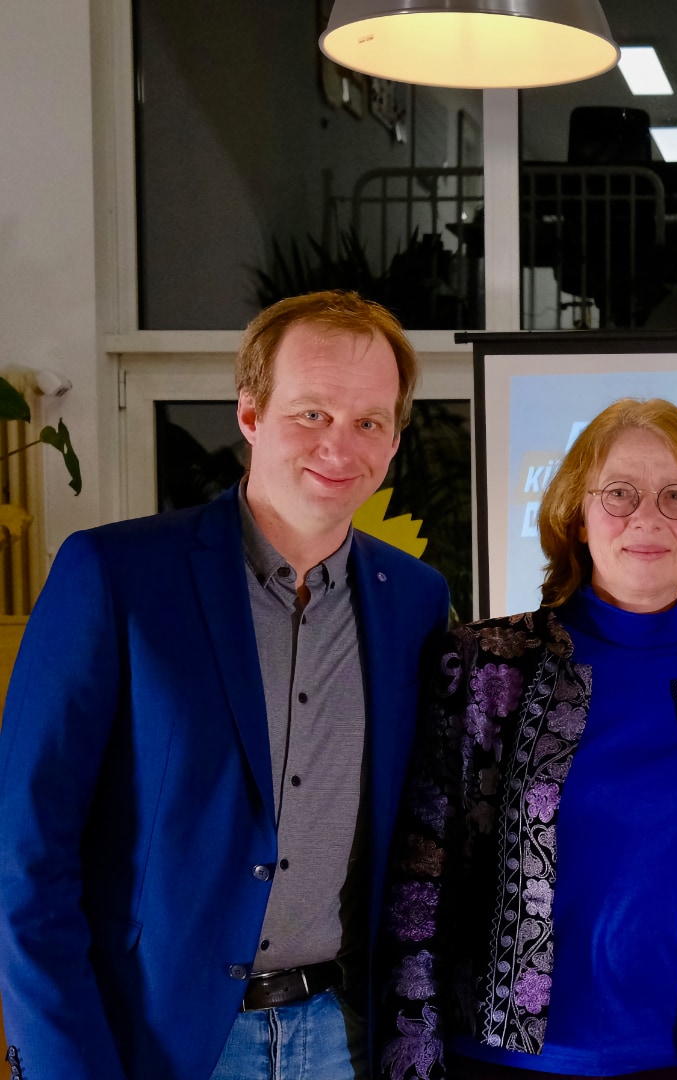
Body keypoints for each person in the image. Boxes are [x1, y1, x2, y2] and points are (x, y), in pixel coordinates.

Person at [0, 291, 452, 1080]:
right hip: (158, 1045)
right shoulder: (115, 576)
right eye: (311, 413)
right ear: (249, 413)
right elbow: (27, 859)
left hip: (345, 1040)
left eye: (370, 421)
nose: (340, 445)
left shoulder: (417, 602)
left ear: (394, 439)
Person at [377, 397, 677, 1080]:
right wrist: (410, 1060)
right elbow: (421, 882)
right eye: (619, 494)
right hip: (511, 1064)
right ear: (576, 518)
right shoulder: (483, 664)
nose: (647, 517)